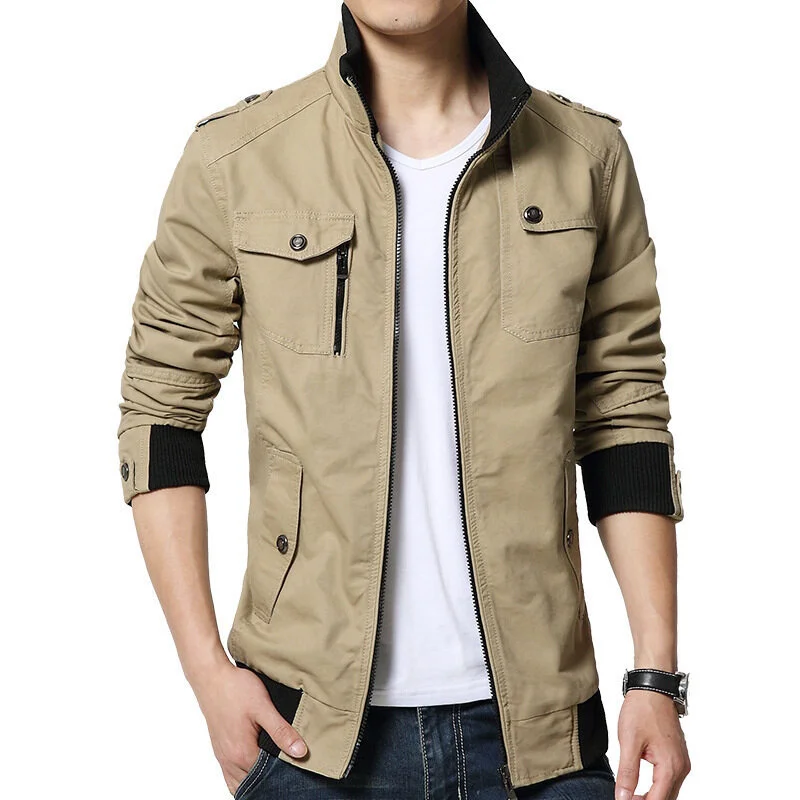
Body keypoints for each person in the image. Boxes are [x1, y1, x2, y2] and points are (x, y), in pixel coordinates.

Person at [116, 2, 691, 798]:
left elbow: (624, 416)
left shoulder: (585, 157)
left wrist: (656, 675)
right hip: (307, 736)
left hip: (541, 736)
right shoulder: (238, 158)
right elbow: (160, 413)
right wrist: (206, 671)